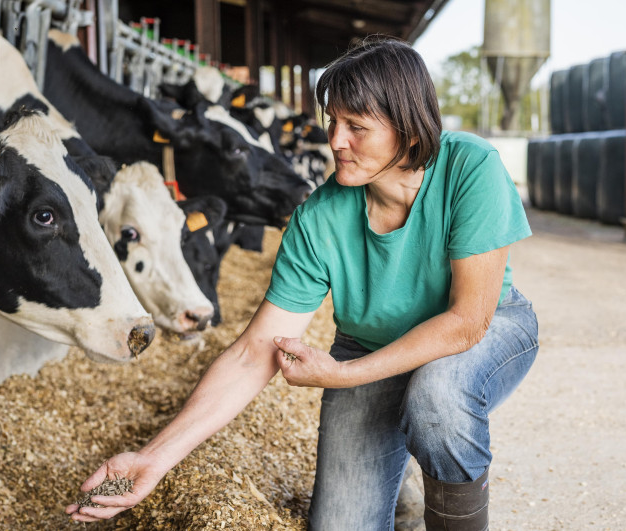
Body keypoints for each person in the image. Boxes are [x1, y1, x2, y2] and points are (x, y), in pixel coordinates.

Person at [65, 36, 539, 530]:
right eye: (333, 122)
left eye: (357, 127)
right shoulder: (319, 216)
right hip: (370, 346)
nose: (336, 141)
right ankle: (399, 475)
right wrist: (153, 458)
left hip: (486, 331)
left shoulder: (470, 167)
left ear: (409, 130)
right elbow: (253, 353)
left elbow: (467, 322)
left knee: (436, 396)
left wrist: (344, 375)